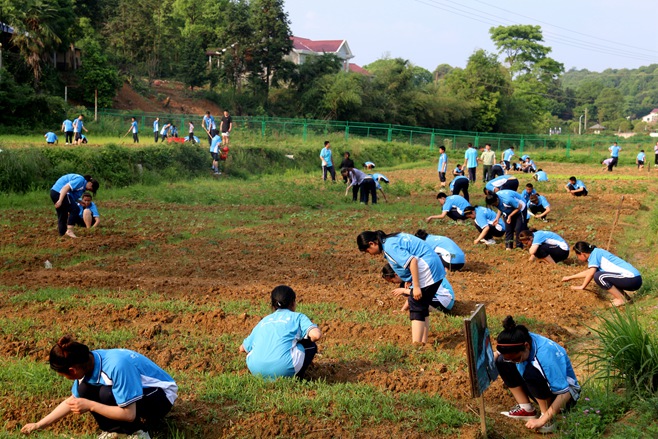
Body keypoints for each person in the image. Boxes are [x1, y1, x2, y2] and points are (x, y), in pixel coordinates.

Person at [21, 335, 177, 438]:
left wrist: (91, 405)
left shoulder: (117, 367)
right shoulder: (87, 362)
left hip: (160, 396)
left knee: (106, 395)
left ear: (72, 370)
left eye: (64, 375)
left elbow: (128, 414)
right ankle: (114, 432)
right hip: (140, 392)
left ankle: (138, 433)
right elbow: (73, 400)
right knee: (84, 390)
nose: (66, 378)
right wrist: (39, 424)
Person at [495, 316, 580, 434]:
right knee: (501, 361)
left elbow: (564, 394)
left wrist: (543, 420)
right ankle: (526, 408)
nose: (514, 362)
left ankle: (547, 416)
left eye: (516, 358)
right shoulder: (522, 337)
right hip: (547, 386)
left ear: (526, 346)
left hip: (566, 397)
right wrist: (497, 354)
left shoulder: (545, 357)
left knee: (531, 372)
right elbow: (508, 350)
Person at [358, 231, 445, 343]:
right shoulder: (391, 239)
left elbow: (412, 261)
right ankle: (423, 343)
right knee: (422, 304)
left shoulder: (389, 246)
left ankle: (417, 345)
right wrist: (410, 280)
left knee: (416, 303)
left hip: (427, 268)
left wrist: (417, 287)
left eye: (367, 251)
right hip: (433, 266)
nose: (370, 254)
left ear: (372, 243)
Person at [240, 285, 322, 380]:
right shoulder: (298, 317)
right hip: (283, 369)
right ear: (293, 303)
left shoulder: (264, 321)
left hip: (256, 370)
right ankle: (297, 377)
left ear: (272, 305)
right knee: (310, 345)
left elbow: (243, 348)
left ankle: (264, 374)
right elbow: (316, 335)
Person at [562, 241, 642, 307]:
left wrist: (582, 287)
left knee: (599, 276)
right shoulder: (596, 253)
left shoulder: (594, 255)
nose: (578, 259)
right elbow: (589, 272)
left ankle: (621, 299)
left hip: (632, 279)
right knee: (600, 275)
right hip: (634, 279)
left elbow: (591, 274)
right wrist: (570, 277)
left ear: (583, 254)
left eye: (577, 256)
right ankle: (625, 298)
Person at [381, 263, 454, 314]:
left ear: (396, 275)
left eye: (393, 281)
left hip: (443, 302)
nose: (395, 283)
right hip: (446, 300)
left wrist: (404, 291)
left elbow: (415, 295)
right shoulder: (415, 270)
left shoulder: (415, 274)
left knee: (415, 297)